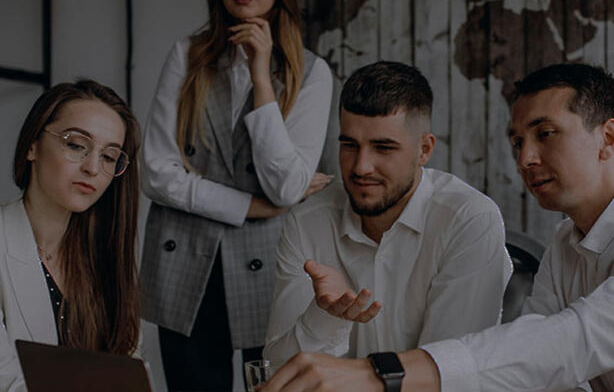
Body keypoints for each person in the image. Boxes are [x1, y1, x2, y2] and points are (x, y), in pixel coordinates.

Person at [262, 63, 614, 392]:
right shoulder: (564, 244)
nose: (525, 159)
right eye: (517, 142)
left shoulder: (467, 217)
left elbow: (573, 340)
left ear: (609, 136)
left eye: (546, 134)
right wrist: (327, 319)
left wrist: (380, 374)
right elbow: (538, 367)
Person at [138, 0, 333, 389]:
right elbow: (156, 173)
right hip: (185, 263)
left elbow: (285, 188)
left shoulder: (311, 73)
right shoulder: (188, 56)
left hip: (270, 266)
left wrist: (262, 78)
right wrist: (248, 206)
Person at [263, 61, 512, 377]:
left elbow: (448, 375)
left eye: (383, 148)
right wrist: (324, 317)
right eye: (350, 145)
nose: (361, 167)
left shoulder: (468, 219)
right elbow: (276, 371)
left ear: (424, 150)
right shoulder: (307, 221)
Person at [0, 80, 141, 391]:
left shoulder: (104, 257)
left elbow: (129, 374)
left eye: (109, 157)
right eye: (76, 145)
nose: (93, 168)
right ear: (32, 146)